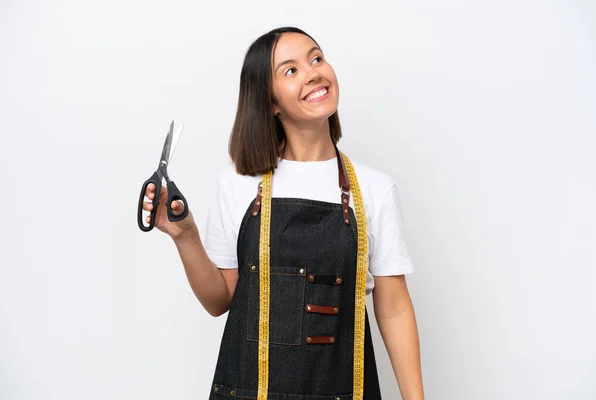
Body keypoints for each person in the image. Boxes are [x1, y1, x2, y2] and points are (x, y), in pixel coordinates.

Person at [142, 27, 424, 400]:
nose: (313, 73)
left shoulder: (375, 189)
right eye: (290, 70)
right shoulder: (237, 184)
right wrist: (186, 235)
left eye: (316, 58)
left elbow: (393, 308)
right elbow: (219, 300)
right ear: (270, 101)